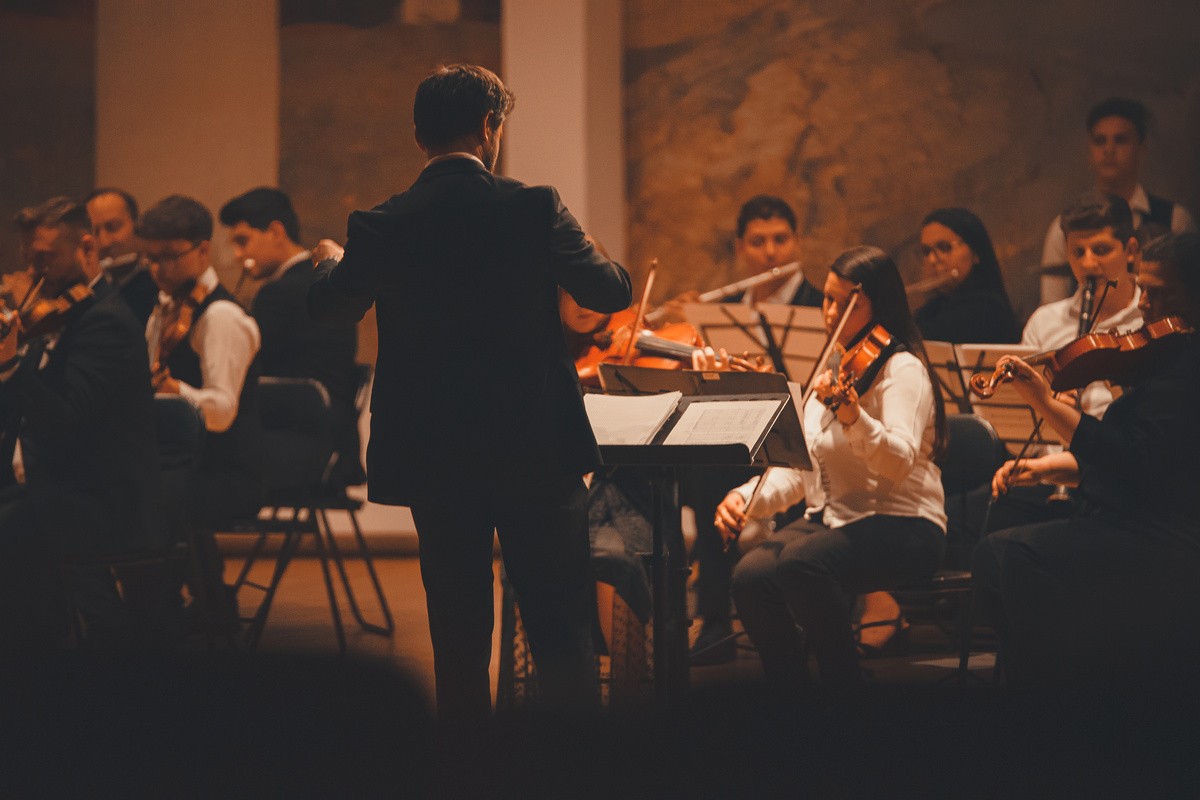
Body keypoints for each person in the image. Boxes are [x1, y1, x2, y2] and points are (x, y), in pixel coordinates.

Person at [308, 64, 631, 721]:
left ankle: (467, 769)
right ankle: (578, 769)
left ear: (420, 134)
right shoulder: (534, 208)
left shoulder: (380, 224)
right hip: (535, 448)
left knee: (456, 632)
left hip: (435, 456)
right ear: (491, 127)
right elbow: (612, 292)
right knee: (559, 626)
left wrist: (329, 261)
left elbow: (328, 309)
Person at [971, 232, 1200, 688]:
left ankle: (1062, 693)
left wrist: (1047, 403)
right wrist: (1053, 467)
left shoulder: (1187, 368)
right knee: (993, 542)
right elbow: (1150, 453)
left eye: (1162, 294)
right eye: (1143, 290)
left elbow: (1134, 460)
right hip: (1129, 511)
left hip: (1160, 529)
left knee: (1010, 553)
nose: (1145, 306)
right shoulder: (1168, 356)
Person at [713, 246, 947, 693]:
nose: (831, 312)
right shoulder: (834, 369)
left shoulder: (902, 369)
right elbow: (799, 472)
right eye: (828, 299)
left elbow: (898, 463)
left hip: (906, 524)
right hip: (835, 519)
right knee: (750, 575)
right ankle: (792, 691)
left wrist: (855, 418)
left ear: (879, 305)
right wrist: (747, 498)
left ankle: (843, 692)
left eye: (848, 304)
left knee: (804, 564)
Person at [0, 197, 162, 651]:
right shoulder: (58, 312)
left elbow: (67, 421)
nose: (33, 271)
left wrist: (12, 365)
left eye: (44, 258)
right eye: (28, 258)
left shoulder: (104, 322)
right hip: (51, 479)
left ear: (87, 250)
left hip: (91, 494)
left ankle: (43, 660)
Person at [140, 195, 263, 623]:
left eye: (169, 257)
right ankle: (200, 604)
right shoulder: (164, 310)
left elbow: (223, 411)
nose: (158, 269)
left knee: (143, 498)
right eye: (150, 258)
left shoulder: (222, 316)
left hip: (227, 473)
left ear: (202, 250)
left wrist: (175, 390)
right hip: (186, 465)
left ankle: (151, 618)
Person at [220, 186, 365, 492]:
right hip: (339, 442)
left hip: (303, 440)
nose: (238, 256)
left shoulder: (279, 293)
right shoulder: (325, 282)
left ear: (275, 232)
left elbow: (248, 369)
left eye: (243, 242)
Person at [1040, 98, 1196, 303]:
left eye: (1120, 139)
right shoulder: (1062, 228)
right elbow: (1053, 305)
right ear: (1090, 150)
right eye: (1100, 141)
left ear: (1141, 148)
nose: (1109, 149)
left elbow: (1192, 300)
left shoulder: (1175, 219)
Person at [912, 207, 1019, 344]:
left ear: (975, 252)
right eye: (926, 251)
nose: (932, 260)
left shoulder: (987, 310)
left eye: (944, 247)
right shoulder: (935, 307)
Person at [85, 187, 159, 325]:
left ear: (137, 225)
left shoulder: (158, 285)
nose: (104, 242)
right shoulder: (86, 289)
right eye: (94, 232)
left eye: (112, 227)